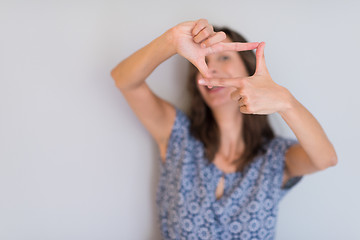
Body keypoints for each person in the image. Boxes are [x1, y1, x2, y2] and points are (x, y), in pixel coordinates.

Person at [111, 19, 337, 240]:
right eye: (205, 61)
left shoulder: (275, 157)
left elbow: (325, 159)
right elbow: (124, 80)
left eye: (224, 57)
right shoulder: (178, 134)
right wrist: (170, 41)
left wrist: (287, 102)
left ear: (249, 69)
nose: (213, 69)